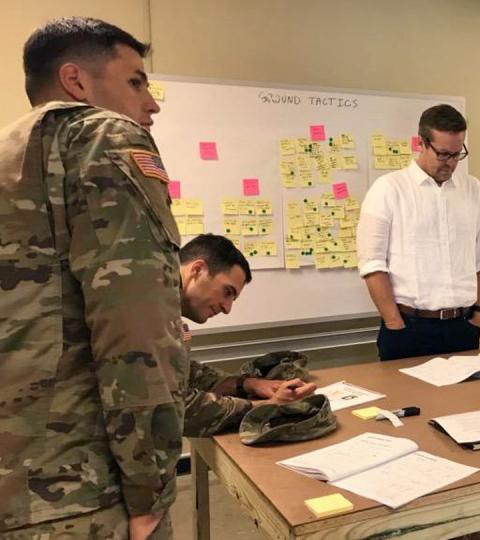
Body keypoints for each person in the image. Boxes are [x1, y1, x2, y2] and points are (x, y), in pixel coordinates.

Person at [0, 17, 183, 539]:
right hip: (78, 487)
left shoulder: (12, 155)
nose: (151, 102)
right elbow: (136, 328)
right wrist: (149, 488)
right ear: (77, 81)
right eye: (135, 82)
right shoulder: (101, 134)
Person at [357, 104, 480, 360]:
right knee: (407, 400)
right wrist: (393, 321)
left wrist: (479, 315)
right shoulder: (388, 189)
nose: (451, 163)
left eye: (457, 154)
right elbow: (372, 264)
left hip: (463, 326)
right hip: (408, 326)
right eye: (443, 154)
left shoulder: (473, 190)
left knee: (465, 400)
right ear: (421, 143)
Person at [178, 234, 316, 437]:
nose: (227, 308)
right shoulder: (144, 315)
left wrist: (248, 384)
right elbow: (174, 409)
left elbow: (184, 375)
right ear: (197, 270)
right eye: (227, 292)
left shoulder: (162, 310)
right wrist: (267, 406)